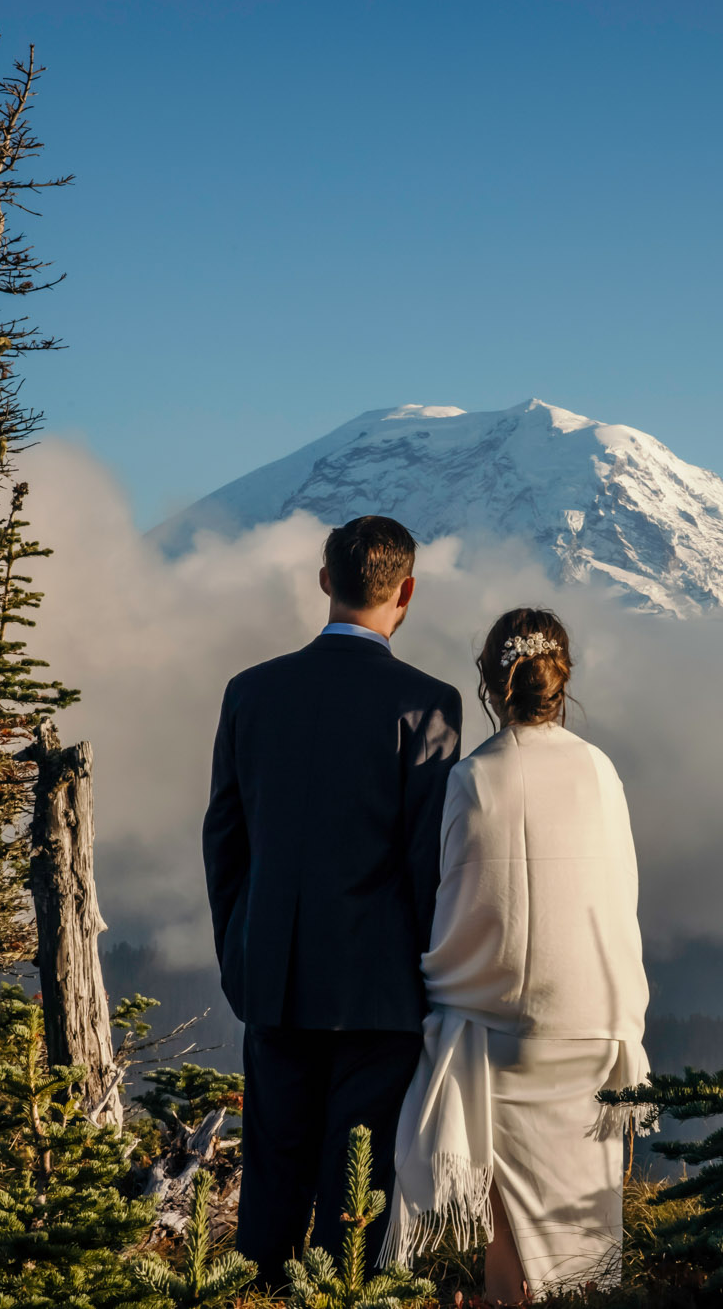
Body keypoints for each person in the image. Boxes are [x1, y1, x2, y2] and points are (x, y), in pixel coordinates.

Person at [201, 515, 463, 1278]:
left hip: (274, 977)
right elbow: (429, 861)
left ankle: (256, 1293)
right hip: (380, 987)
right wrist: (428, 970)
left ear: (324, 581)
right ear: (406, 591)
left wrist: (242, 952)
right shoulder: (430, 704)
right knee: (359, 1191)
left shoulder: (251, 692)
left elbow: (226, 840)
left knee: (272, 1178)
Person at [382, 607, 650, 1303]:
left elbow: (464, 907)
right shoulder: (601, 772)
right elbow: (622, 897)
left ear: (492, 684)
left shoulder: (474, 778)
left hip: (504, 1036)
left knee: (511, 1246)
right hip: (596, 1029)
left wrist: (443, 988)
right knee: (580, 1238)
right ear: (562, 680)